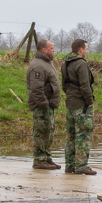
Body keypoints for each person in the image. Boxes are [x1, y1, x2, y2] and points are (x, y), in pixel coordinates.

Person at [61, 38, 96, 175]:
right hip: (82, 106)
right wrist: (89, 101)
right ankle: (81, 166)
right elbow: (85, 85)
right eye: (86, 49)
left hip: (70, 104)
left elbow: (64, 85)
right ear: (80, 50)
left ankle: (69, 165)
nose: (87, 51)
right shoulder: (81, 64)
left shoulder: (65, 64)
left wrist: (71, 96)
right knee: (83, 135)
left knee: (70, 136)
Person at [26, 39, 61, 170]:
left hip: (49, 105)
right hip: (42, 107)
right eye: (52, 48)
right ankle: (39, 160)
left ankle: (46, 157)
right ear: (44, 50)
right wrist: (44, 103)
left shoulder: (46, 63)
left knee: (49, 132)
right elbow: (36, 88)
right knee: (41, 132)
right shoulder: (38, 66)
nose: (54, 50)